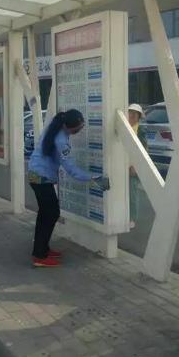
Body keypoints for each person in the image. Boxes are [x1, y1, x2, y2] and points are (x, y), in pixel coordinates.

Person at [27, 109, 104, 268]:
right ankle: (40, 256)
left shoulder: (55, 126)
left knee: (45, 214)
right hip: (41, 178)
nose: (79, 131)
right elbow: (71, 169)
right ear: (67, 126)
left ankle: (42, 249)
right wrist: (91, 177)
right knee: (51, 214)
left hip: (37, 175)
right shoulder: (61, 140)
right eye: (77, 129)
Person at [127, 104, 147, 229]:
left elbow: (144, 150)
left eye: (135, 114)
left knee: (132, 193)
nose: (132, 115)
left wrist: (136, 166)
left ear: (139, 117)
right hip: (121, 165)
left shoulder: (140, 130)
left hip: (133, 166)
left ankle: (132, 218)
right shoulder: (124, 127)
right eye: (130, 112)